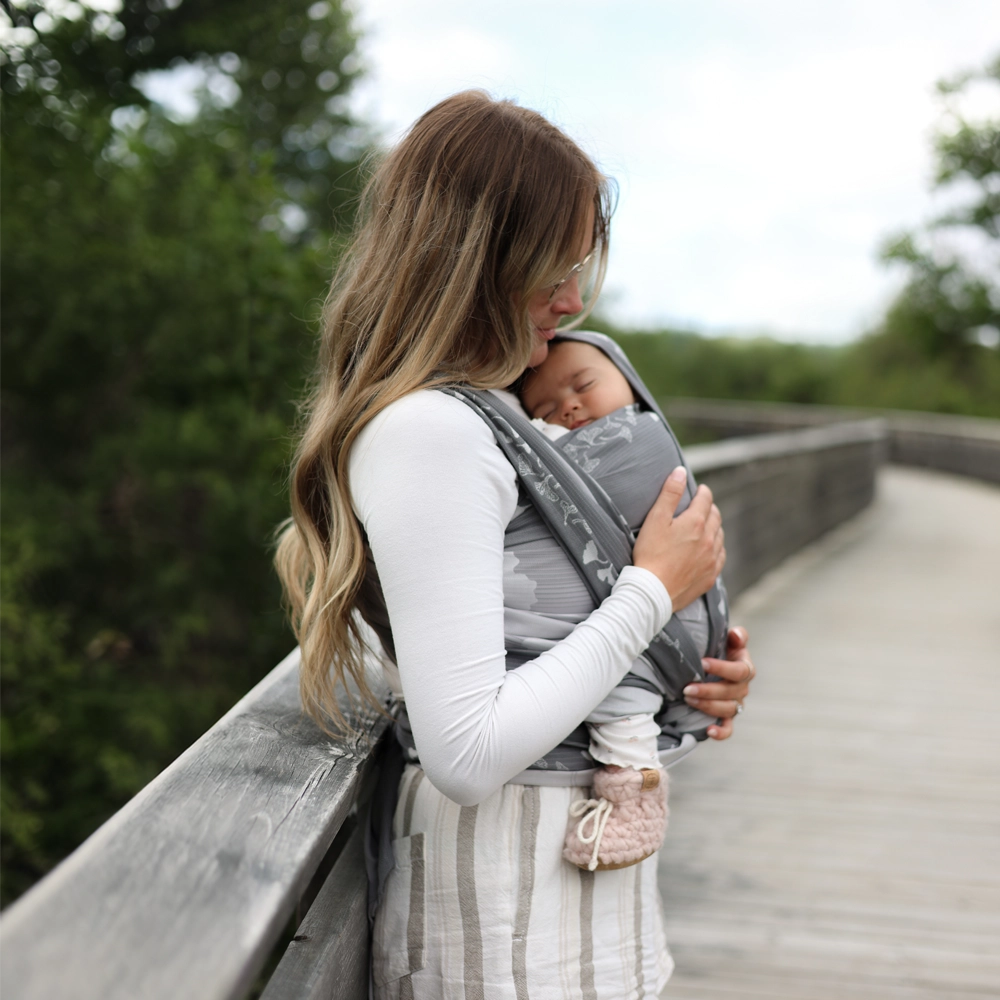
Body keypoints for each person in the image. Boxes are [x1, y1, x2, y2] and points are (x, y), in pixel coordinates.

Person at [276, 90, 756, 1000]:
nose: (574, 301)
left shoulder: (503, 415)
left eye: (579, 266)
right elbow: (467, 751)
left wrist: (680, 678)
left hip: (575, 901)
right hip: (507, 926)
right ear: (469, 262)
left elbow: (537, 640)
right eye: (549, 269)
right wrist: (652, 593)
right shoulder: (431, 433)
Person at [517, 337, 726, 872]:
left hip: (649, 626)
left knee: (623, 700)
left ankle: (634, 798)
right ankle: (635, 792)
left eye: (584, 386)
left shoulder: (646, 438)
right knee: (623, 697)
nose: (567, 407)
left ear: (632, 386)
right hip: (626, 628)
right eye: (541, 411)